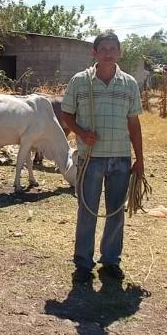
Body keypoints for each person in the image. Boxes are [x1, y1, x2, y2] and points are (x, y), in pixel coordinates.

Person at [61, 32, 144, 283]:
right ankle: (83, 264)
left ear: (119, 52)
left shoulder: (129, 83)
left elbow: (134, 123)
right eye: (103, 49)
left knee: (115, 212)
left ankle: (110, 261)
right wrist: (81, 133)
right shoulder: (80, 81)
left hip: (120, 158)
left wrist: (140, 159)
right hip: (90, 158)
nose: (108, 53)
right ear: (94, 53)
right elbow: (66, 115)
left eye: (112, 48)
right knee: (87, 211)